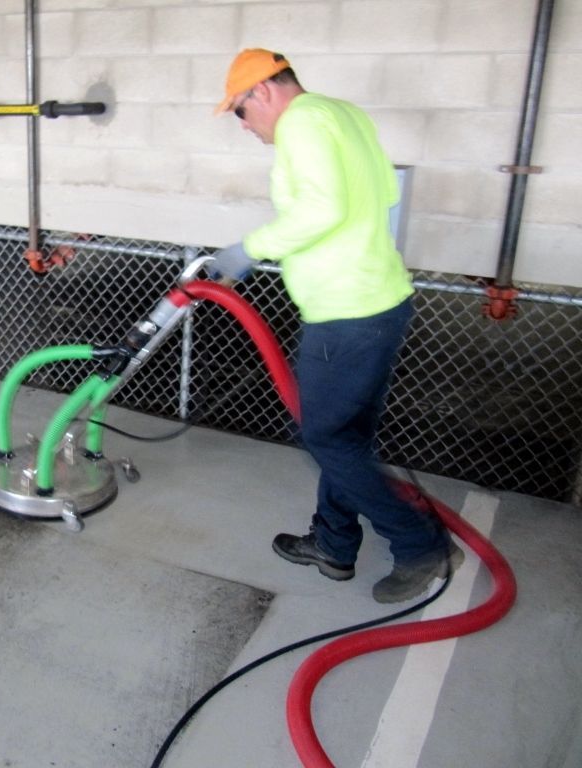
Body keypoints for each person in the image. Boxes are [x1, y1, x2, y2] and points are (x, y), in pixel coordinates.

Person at [207, 48, 461, 603]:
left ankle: (418, 544)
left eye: (240, 114)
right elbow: (384, 194)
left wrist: (249, 249)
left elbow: (322, 210)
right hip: (381, 300)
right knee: (346, 439)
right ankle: (335, 544)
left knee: (325, 439)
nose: (245, 127)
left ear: (262, 93)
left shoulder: (301, 124)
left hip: (346, 314)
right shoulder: (343, 114)